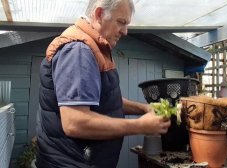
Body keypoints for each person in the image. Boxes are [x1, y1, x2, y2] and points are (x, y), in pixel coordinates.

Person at [36, 0, 171, 167]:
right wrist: (140, 126)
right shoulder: (78, 51)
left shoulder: (95, 47)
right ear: (99, 14)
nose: (125, 31)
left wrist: (143, 108)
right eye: (121, 22)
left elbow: (106, 100)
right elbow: (75, 122)